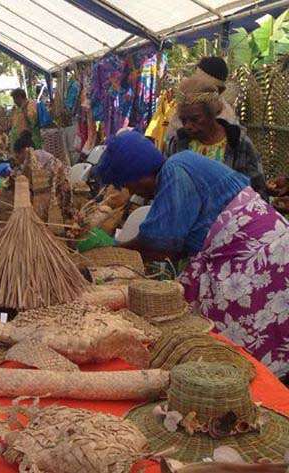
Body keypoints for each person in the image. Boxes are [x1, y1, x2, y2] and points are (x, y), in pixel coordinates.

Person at [96, 131, 289, 378]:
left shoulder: (176, 171)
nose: (132, 191)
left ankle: (260, 385)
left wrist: (114, 249)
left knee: (241, 329)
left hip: (259, 257)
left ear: (138, 174)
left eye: (129, 183)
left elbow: (160, 245)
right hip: (259, 250)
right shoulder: (180, 164)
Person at [167, 76, 267, 199]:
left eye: (195, 119)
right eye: (183, 120)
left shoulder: (238, 143)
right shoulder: (178, 144)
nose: (188, 126)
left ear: (211, 114)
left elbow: (258, 188)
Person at [13, 130, 72, 218]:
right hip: (52, 187)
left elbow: (39, 181)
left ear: (24, 151)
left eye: (18, 156)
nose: (18, 159)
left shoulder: (34, 157)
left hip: (58, 186)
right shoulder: (31, 159)